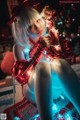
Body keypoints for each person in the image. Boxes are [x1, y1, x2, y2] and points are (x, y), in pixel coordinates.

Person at [11, 6, 80, 120]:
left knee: (60, 63)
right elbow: (22, 77)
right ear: (23, 30)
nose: (37, 27)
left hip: (56, 89)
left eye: (38, 21)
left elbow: (65, 55)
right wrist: (39, 49)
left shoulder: (49, 35)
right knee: (42, 67)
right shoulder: (20, 47)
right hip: (34, 91)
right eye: (30, 26)